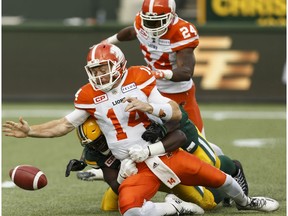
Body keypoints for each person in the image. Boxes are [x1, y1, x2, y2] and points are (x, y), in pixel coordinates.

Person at [3, 43, 279, 215]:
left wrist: (149, 109)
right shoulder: (88, 95)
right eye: (94, 70)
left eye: (103, 68)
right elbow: (63, 124)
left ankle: (245, 201)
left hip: (165, 151)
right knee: (129, 209)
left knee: (220, 179)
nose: (98, 75)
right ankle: (173, 207)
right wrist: (30, 132)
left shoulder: (139, 77)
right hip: (133, 166)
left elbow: (172, 112)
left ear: (119, 65)